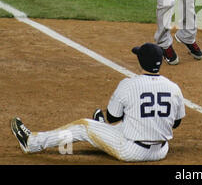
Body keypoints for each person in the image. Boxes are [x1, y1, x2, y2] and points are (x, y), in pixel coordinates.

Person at [10, 43, 185, 162]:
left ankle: (32, 143)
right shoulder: (174, 87)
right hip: (161, 151)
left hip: (132, 151)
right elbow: (176, 123)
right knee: (132, 122)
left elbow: (112, 116)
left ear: (140, 61)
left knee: (84, 126)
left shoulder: (129, 84)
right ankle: (102, 131)